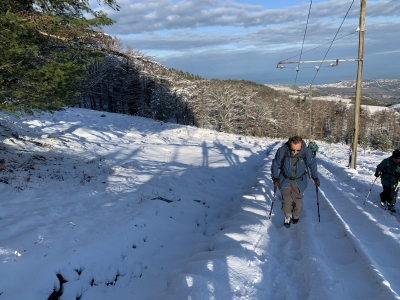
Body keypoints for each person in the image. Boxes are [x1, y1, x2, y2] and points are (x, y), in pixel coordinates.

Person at [271, 136, 320, 227]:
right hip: (285, 179)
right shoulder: (282, 150)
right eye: (293, 150)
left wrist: (315, 177)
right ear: (290, 145)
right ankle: (288, 216)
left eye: (298, 150)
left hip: (299, 180)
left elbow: (312, 164)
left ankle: (296, 215)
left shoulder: (306, 151)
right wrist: (275, 177)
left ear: (301, 145)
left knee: (297, 200)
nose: (295, 152)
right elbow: (275, 164)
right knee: (286, 199)